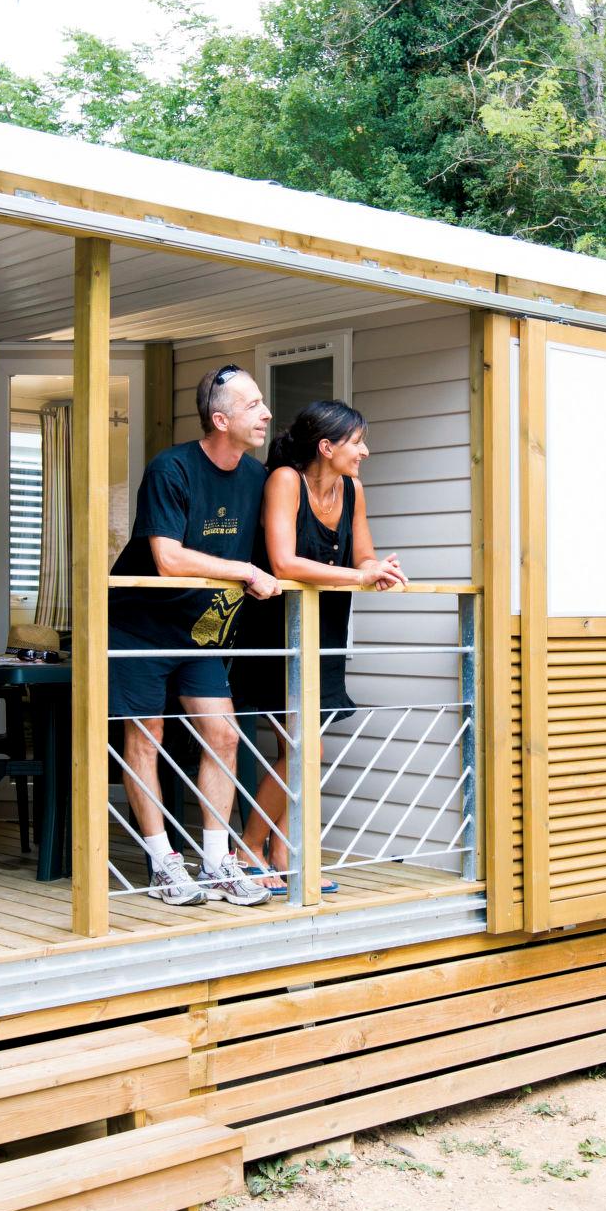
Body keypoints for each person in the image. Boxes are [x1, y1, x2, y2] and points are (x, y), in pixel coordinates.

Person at [108, 363, 278, 906]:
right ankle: (163, 864)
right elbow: (167, 556)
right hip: (138, 625)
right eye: (253, 405)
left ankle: (217, 862)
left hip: (202, 631)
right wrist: (245, 572)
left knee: (222, 734)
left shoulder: (258, 477)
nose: (266, 414)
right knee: (148, 734)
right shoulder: (172, 467)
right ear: (220, 418)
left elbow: (271, 552)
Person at [233, 400, 407, 893]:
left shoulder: (352, 488)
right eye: (357, 442)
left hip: (325, 626)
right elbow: (283, 562)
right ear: (326, 447)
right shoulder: (285, 479)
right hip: (274, 626)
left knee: (302, 742)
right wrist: (357, 574)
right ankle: (251, 849)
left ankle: (284, 855)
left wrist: (377, 568)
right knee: (304, 743)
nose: (365, 452)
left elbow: (363, 552)